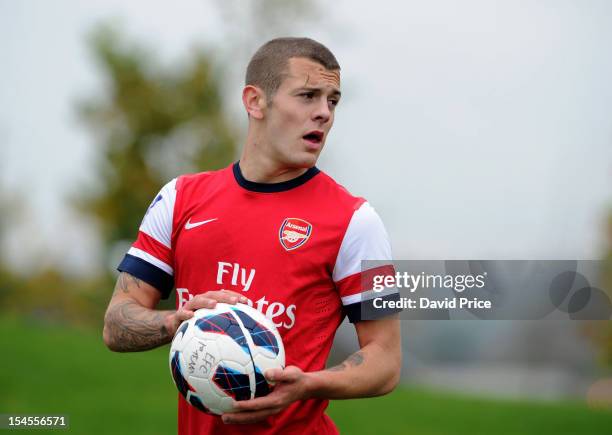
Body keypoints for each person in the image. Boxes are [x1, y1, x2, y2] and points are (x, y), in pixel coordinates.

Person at [103, 37, 402, 434]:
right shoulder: (179, 199)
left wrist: (309, 385)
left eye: (332, 101)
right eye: (308, 95)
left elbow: (385, 360)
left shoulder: (355, 221)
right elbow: (116, 323)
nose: (324, 113)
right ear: (255, 101)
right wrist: (177, 322)